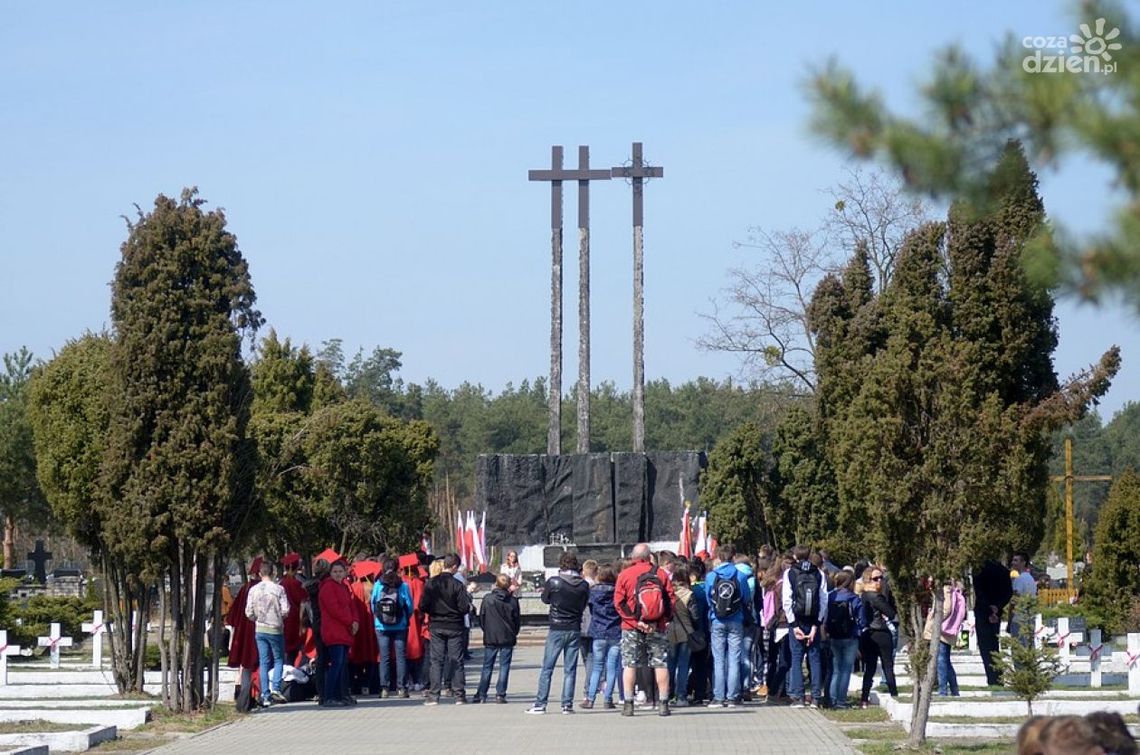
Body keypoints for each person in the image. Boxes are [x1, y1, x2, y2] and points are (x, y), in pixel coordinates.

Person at [614, 543, 675, 717]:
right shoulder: (660, 574)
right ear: (649, 557)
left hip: (631, 628)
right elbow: (671, 600)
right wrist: (661, 621)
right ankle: (663, 704)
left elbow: (619, 603)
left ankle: (628, 704)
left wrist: (635, 622)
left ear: (633, 557)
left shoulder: (625, 575)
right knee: (660, 663)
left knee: (630, 664)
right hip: (657, 626)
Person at [526, 551, 590, 715]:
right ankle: (567, 705)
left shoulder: (554, 582)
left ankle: (541, 703)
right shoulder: (583, 585)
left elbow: (545, 599)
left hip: (557, 627)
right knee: (570, 669)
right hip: (574, 627)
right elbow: (584, 604)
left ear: (561, 565)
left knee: (548, 667)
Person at [419, 553, 472, 705]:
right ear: (454, 566)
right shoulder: (458, 585)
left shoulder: (431, 583)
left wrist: (434, 612)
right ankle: (459, 694)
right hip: (454, 625)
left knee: (436, 660)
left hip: (436, 625)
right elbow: (463, 607)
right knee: (456, 659)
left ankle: (434, 695)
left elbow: (423, 605)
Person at [705, 544, 752, 708]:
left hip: (717, 619)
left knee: (718, 660)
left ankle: (718, 697)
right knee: (734, 658)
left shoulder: (711, 576)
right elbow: (746, 598)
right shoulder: (740, 575)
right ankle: (732, 697)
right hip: (736, 620)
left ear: (719, 557)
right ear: (733, 557)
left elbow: (708, 599)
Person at [782, 544, 828, 708]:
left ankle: (799, 697)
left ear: (795, 556)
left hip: (797, 620)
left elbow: (787, 600)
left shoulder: (790, 573)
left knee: (796, 658)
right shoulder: (819, 573)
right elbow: (823, 600)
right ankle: (816, 697)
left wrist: (793, 624)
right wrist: (817, 624)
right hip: (813, 620)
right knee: (814, 659)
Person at [245, 560, 290, 707]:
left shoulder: (253, 590)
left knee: (264, 661)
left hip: (260, 628)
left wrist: (257, 619)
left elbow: (248, 612)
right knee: (278, 659)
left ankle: (265, 694)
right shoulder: (279, 589)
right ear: (273, 573)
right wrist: (278, 617)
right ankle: (276, 687)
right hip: (275, 628)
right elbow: (286, 610)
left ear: (259, 573)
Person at [372, 557, 414, 698]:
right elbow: (409, 606)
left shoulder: (378, 585)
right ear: (397, 568)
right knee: (400, 657)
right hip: (400, 625)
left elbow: (373, 604)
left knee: (384, 657)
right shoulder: (403, 585)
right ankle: (401, 688)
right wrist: (405, 617)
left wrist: (379, 617)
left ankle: (384, 688)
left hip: (381, 626)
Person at [474, 573, 520, 704]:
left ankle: (481, 694)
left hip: (491, 636)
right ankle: (500, 694)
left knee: (487, 666)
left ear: (496, 583)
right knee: (504, 666)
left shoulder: (488, 599)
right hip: (507, 636)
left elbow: (481, 618)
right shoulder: (512, 601)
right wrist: (513, 633)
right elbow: (517, 620)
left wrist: (486, 630)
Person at [318, 560, 358, 707]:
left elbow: (351, 605)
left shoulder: (344, 587)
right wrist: (350, 621)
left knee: (342, 665)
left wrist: (355, 621)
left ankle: (341, 695)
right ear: (330, 572)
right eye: (335, 571)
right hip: (334, 630)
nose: (337, 574)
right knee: (337, 663)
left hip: (344, 631)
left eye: (340, 571)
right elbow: (334, 609)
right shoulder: (328, 587)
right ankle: (329, 696)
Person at [584, 562, 622, 709]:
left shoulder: (593, 591)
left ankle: (591, 698)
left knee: (597, 667)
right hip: (615, 631)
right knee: (612, 667)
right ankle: (608, 699)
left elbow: (591, 609)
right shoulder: (617, 591)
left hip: (598, 632)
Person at [859, 565, 898, 707]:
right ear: (867, 580)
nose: (879, 581)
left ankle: (864, 698)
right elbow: (891, 613)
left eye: (881, 578)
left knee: (869, 668)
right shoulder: (876, 597)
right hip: (880, 632)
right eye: (875, 579)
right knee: (887, 665)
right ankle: (894, 693)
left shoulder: (863, 596)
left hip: (867, 634)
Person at [226, 558, 261, 712]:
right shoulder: (261, 589)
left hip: (244, 633)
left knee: (246, 665)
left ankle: (245, 700)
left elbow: (232, 616)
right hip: (259, 630)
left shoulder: (245, 589)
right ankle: (253, 698)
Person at [973, 557, 1013, 685]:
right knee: (995, 647)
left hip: (983, 612)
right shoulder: (1003, 571)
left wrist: (989, 609)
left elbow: (979, 592)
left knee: (985, 647)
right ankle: (998, 677)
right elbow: (1008, 593)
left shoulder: (979, 569)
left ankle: (992, 678)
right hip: (997, 613)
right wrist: (997, 607)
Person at [825, 570, 862, 709]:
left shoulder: (830, 597)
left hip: (833, 636)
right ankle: (841, 700)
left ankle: (832, 699)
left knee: (836, 669)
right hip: (850, 636)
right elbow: (861, 619)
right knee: (846, 669)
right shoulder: (854, 598)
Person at [666, 563, 698, 706]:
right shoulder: (689, 594)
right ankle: (681, 696)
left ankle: (668, 693)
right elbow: (695, 616)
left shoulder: (668, 593)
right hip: (686, 632)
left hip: (670, 631)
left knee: (670, 665)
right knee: (683, 665)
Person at [931, 578, 966, 697]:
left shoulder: (946, 591)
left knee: (941, 662)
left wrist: (932, 623)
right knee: (945, 661)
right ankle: (954, 690)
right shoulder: (955, 592)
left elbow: (945, 610)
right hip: (949, 630)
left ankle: (943, 691)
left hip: (942, 630)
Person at [687, 556, 711, 703]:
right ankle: (700, 694)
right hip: (706, 630)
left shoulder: (692, 590)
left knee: (687, 663)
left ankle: (684, 691)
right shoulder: (708, 588)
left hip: (691, 630)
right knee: (702, 664)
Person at [279, 554, 308, 666]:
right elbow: (303, 602)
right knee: (295, 648)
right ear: (297, 567)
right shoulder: (297, 584)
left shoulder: (281, 583)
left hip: (284, 619)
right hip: (296, 619)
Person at [1008, 551, 1038, 643]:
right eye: (1013, 560)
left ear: (1023, 562)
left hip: (1018, 618)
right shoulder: (1031, 579)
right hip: (1029, 617)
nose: (1013, 563)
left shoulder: (1019, 579)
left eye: (1016, 560)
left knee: (1018, 647)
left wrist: (1009, 620)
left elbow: (1015, 600)